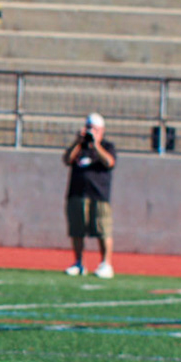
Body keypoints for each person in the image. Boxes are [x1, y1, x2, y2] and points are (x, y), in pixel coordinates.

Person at [63, 112, 116, 278]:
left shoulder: (107, 146)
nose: (91, 131)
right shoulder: (80, 147)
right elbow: (67, 160)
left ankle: (106, 264)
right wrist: (77, 142)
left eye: (94, 128)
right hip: (77, 194)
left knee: (103, 231)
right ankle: (79, 263)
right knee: (77, 231)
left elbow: (109, 162)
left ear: (102, 130)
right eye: (88, 127)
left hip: (98, 195)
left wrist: (96, 145)